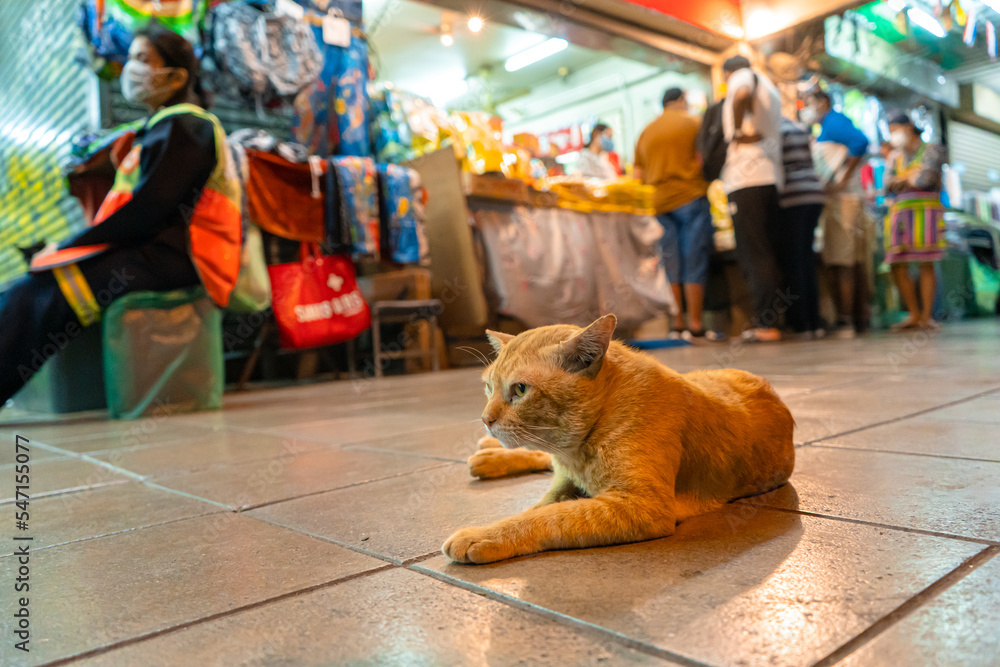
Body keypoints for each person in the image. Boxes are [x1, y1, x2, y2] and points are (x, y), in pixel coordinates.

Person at [0, 27, 241, 408]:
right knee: (31, 290)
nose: (131, 68)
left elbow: (148, 212)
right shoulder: (164, 127)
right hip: (156, 254)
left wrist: (67, 247)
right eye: (131, 58)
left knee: (38, 295)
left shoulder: (187, 125)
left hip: (183, 259)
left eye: (143, 59)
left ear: (177, 77)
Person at [634, 87, 714, 338]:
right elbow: (704, 157)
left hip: (659, 204)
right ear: (681, 100)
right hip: (690, 197)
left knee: (670, 264)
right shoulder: (692, 122)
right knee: (694, 259)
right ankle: (696, 324)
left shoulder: (646, 132)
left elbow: (637, 175)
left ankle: (677, 324)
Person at [720, 55, 784, 342]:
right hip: (768, 177)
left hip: (747, 178)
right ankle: (772, 321)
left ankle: (765, 324)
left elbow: (742, 93)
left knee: (753, 253)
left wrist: (735, 133)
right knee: (766, 250)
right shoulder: (769, 86)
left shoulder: (743, 76)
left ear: (728, 72)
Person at [802, 90, 871, 338]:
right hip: (843, 200)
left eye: (809, 103)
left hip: (844, 201)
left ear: (823, 102)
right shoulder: (827, 126)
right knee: (849, 260)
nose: (807, 108)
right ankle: (858, 318)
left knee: (843, 260)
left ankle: (846, 321)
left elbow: (860, 142)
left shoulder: (834, 121)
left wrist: (842, 179)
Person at [883, 112, 947, 331]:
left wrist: (903, 179)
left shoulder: (932, 150)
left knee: (925, 263)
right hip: (900, 214)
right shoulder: (895, 156)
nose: (893, 135)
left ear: (909, 127)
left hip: (926, 213)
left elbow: (925, 179)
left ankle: (926, 317)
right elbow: (887, 186)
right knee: (897, 264)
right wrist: (909, 177)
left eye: (895, 130)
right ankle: (914, 314)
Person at [775, 116, 826, 337]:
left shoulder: (774, 129)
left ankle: (800, 322)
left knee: (793, 260)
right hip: (814, 191)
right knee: (806, 258)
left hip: (794, 195)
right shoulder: (798, 127)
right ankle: (814, 321)